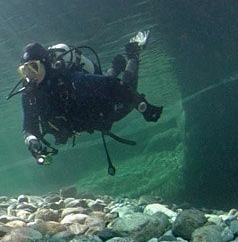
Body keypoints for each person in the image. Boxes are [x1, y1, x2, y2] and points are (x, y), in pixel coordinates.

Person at [15, 31, 163, 173]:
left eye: (33, 67)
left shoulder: (71, 80)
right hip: (86, 117)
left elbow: (114, 86)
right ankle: (115, 68)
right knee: (100, 84)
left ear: (45, 64)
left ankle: (133, 53)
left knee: (126, 94)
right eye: (24, 70)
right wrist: (32, 142)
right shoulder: (30, 95)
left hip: (103, 110)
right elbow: (29, 127)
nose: (29, 76)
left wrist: (143, 106)